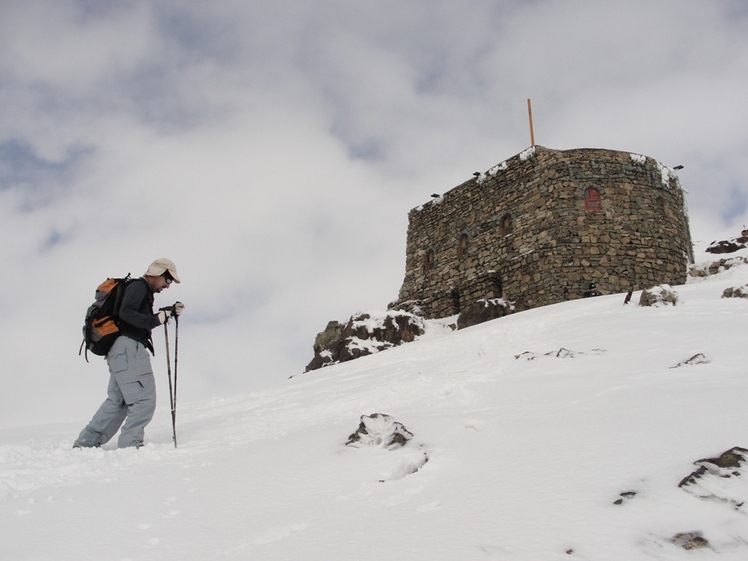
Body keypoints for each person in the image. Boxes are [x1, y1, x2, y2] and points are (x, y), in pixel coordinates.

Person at [74, 258, 184, 449]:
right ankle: (131, 447)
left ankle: (86, 443)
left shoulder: (137, 288)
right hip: (128, 348)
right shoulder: (139, 286)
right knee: (144, 400)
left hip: (119, 350)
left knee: (119, 401)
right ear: (159, 273)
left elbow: (131, 316)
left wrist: (164, 314)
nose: (167, 286)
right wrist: (157, 319)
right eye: (168, 280)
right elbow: (127, 313)